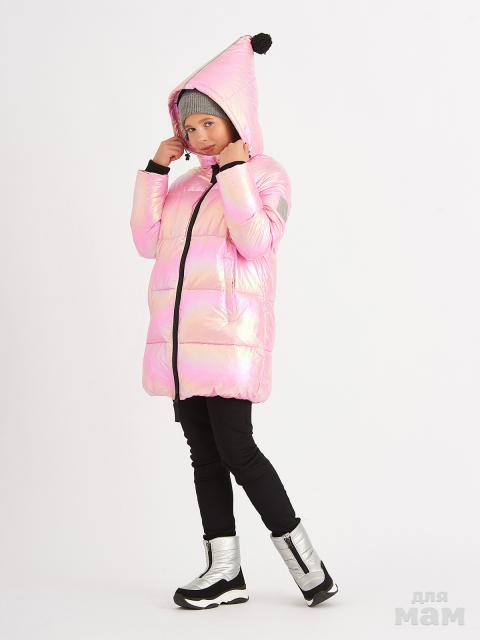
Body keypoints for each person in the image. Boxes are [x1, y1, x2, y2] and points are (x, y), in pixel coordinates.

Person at [130, 33, 339, 609]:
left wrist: (235, 170)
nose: (199, 136)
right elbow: (145, 242)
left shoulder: (267, 176)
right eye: (189, 127)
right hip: (180, 346)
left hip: (229, 341)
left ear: (235, 120)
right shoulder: (182, 187)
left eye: (208, 123)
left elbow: (257, 241)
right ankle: (225, 573)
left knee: (238, 450)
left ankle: (309, 569)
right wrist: (156, 170)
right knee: (204, 455)